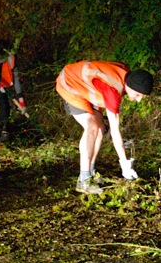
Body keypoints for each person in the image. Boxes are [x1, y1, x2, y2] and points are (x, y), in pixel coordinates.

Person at [54, 61, 153, 194]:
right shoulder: (112, 89)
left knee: (100, 129)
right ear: (131, 86)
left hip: (85, 86)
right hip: (70, 83)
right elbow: (115, 130)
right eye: (138, 95)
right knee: (92, 126)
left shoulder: (127, 76)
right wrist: (124, 164)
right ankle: (84, 180)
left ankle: (90, 173)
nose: (139, 100)